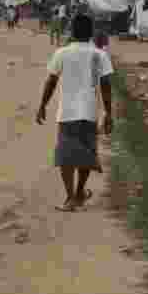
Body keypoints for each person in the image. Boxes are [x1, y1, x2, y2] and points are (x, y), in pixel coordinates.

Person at [36, 14, 114, 212]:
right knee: (86, 156)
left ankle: (71, 197)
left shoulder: (62, 53)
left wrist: (42, 105)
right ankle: (79, 192)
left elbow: (51, 81)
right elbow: (106, 85)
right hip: (89, 113)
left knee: (66, 156)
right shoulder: (99, 55)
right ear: (91, 33)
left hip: (68, 112)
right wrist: (108, 113)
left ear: (71, 31)